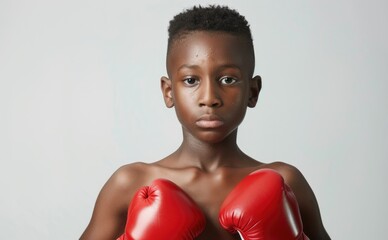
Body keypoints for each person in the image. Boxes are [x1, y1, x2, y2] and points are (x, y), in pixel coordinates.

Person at [80, 5, 331, 240]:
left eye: (228, 80)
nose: (209, 98)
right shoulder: (131, 183)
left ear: (253, 92)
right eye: (191, 80)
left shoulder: (286, 181)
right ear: (168, 92)